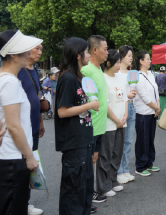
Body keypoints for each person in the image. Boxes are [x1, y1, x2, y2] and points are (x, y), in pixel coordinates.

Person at [0, 30, 40, 215]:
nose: (29, 52)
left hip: (5, 156)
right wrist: (29, 156)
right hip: (12, 158)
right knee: (13, 208)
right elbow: (13, 125)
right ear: (12, 54)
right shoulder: (9, 82)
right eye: (24, 48)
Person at [55, 37, 100, 214]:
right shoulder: (67, 78)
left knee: (85, 187)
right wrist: (90, 105)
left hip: (84, 139)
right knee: (73, 190)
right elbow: (62, 111)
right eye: (87, 51)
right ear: (78, 55)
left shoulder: (79, 77)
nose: (89, 54)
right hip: (74, 142)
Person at [17, 42, 45, 215]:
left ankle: (25, 203)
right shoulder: (18, 71)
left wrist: (41, 122)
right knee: (21, 166)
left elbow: (37, 97)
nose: (40, 52)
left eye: (42, 49)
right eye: (37, 48)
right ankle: (18, 203)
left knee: (31, 165)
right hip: (21, 128)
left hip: (34, 126)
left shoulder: (34, 70)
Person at [80, 35, 108, 203]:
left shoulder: (98, 70)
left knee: (94, 159)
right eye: (105, 49)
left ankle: (89, 192)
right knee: (87, 161)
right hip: (90, 125)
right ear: (95, 50)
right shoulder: (86, 70)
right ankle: (85, 196)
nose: (107, 52)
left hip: (100, 125)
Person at [96, 49, 128, 197]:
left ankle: (113, 180)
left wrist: (125, 116)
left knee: (117, 153)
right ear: (108, 63)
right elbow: (104, 104)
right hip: (109, 124)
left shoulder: (121, 78)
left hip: (122, 122)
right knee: (105, 155)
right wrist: (116, 120)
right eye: (117, 62)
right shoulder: (102, 79)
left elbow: (126, 99)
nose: (119, 65)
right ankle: (103, 186)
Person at [134, 50, 160, 176]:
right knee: (142, 140)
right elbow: (144, 97)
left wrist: (158, 106)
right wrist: (156, 108)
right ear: (141, 61)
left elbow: (156, 92)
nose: (150, 61)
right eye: (148, 59)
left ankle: (149, 163)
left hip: (152, 111)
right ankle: (140, 166)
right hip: (143, 112)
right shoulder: (138, 76)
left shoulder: (150, 74)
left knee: (150, 139)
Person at [116, 45, 137, 184]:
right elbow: (114, 92)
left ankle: (125, 169)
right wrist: (126, 94)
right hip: (121, 107)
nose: (131, 58)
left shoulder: (131, 73)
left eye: (131, 56)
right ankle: (118, 171)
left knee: (129, 140)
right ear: (121, 56)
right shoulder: (116, 73)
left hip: (131, 106)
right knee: (120, 141)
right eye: (129, 55)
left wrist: (132, 94)